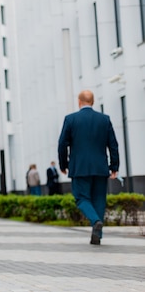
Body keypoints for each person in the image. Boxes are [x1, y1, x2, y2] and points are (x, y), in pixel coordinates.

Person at [57, 90, 120, 245]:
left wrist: (63, 164)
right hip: (100, 167)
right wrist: (114, 166)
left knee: (81, 198)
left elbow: (62, 144)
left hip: (79, 168)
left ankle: (95, 221)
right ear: (92, 102)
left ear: (79, 101)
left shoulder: (70, 119)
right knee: (99, 199)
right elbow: (113, 145)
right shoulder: (104, 120)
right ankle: (97, 234)